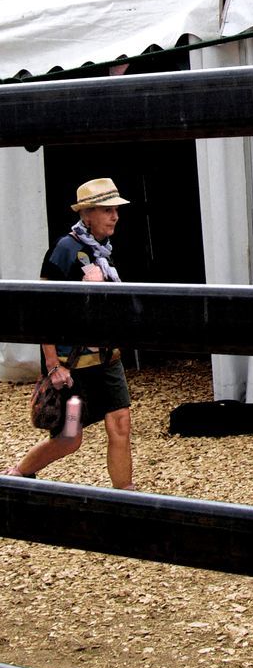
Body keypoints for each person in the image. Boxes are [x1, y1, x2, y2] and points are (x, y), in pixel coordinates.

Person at [5, 179, 135, 489]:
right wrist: (52, 365)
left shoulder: (104, 251)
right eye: (107, 210)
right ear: (87, 214)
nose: (115, 216)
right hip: (74, 368)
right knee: (69, 437)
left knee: (121, 425)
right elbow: (43, 309)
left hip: (106, 360)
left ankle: (126, 500)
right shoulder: (66, 248)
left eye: (116, 210)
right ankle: (18, 474)